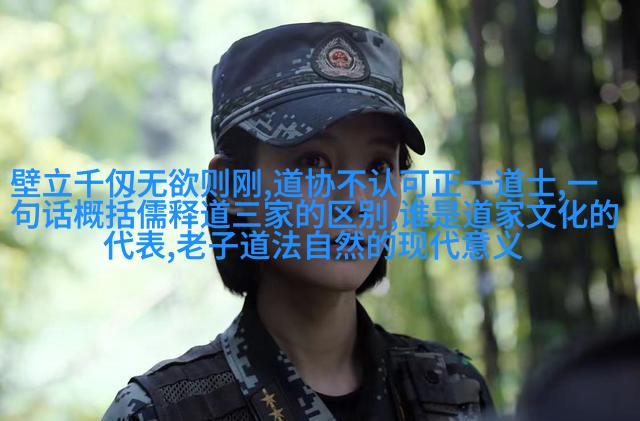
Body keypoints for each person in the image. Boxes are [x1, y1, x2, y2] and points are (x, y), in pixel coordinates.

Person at [102, 21, 495, 421]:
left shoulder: (455, 393)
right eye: (313, 163)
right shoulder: (163, 413)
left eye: (378, 166)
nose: (355, 201)